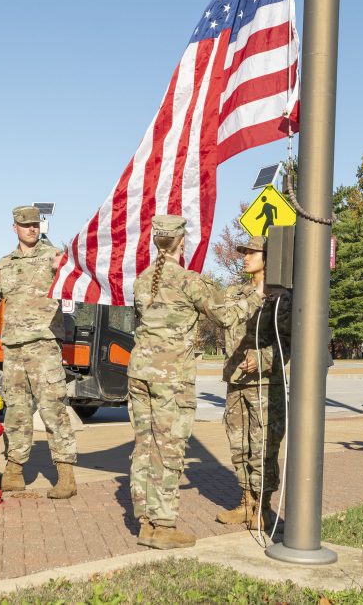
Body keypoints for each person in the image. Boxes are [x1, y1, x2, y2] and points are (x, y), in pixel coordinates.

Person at [126, 215, 223, 549]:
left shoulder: (141, 281)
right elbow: (225, 314)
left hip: (139, 371)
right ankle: (163, 525)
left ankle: (146, 522)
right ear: (182, 243)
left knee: (144, 446)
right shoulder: (189, 281)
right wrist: (256, 297)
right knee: (169, 447)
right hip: (171, 378)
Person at [0, 206, 77, 499]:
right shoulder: (4, 264)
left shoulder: (54, 257)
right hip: (14, 347)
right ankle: (14, 470)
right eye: (25, 225)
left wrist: (66, 267)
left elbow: (76, 284)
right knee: (16, 410)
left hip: (44, 344)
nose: (31, 229)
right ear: (14, 228)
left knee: (53, 408)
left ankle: (66, 473)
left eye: (35, 224)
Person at [214, 236, 290, 532]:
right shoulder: (237, 292)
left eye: (251, 252)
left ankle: (264, 507)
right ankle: (246, 503)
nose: (245, 257)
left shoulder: (282, 297)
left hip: (265, 384)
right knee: (239, 446)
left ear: (267, 258)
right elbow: (220, 316)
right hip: (236, 380)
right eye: (244, 252)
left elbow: (289, 342)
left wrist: (262, 358)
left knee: (264, 448)